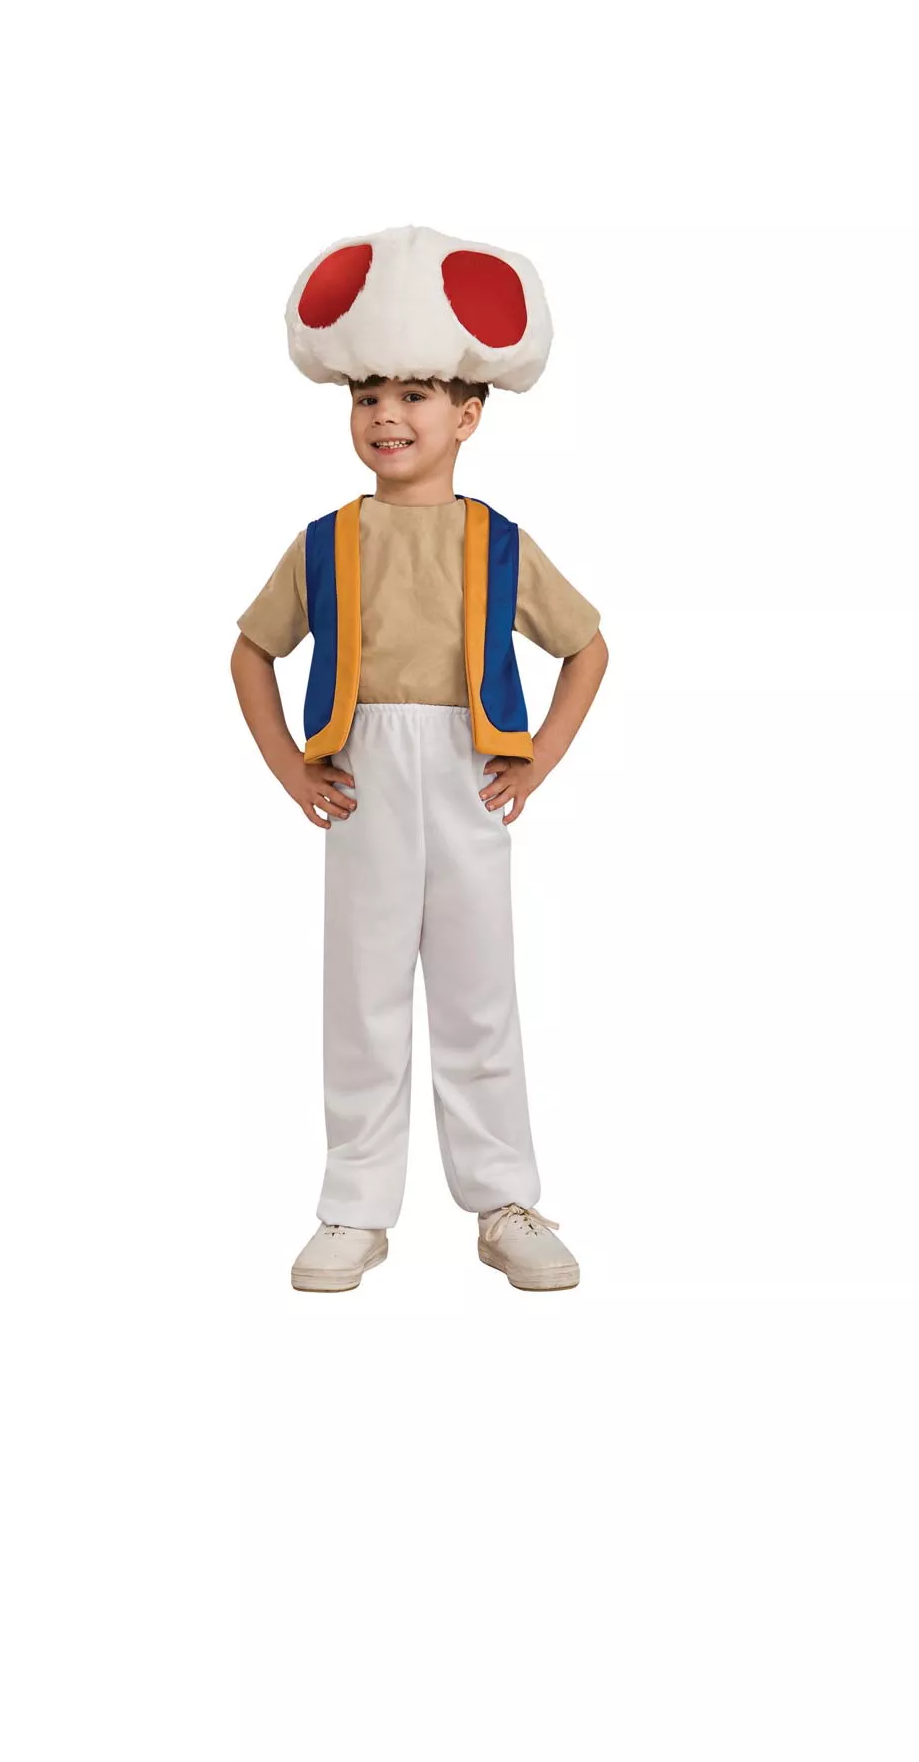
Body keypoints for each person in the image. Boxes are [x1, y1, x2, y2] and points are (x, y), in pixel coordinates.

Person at [228, 225, 610, 1292]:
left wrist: (536, 762)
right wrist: (290, 768)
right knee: (363, 992)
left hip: (467, 775)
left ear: (468, 413)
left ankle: (502, 1200)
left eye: (413, 395)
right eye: (367, 395)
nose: (386, 415)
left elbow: (585, 645)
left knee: (479, 989)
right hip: (363, 782)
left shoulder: (498, 541)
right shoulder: (325, 542)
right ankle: (355, 1204)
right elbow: (252, 650)